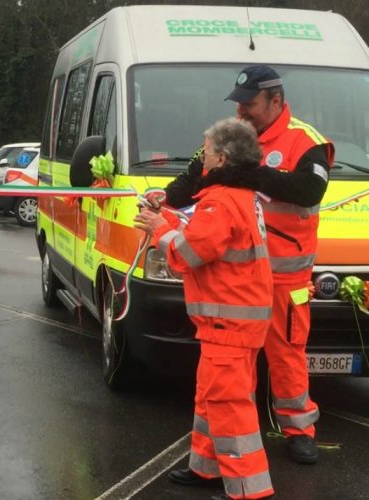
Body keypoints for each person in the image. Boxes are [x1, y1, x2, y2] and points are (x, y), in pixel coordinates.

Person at [164, 65, 334, 465]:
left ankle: (298, 429)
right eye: (237, 104)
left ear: (276, 101)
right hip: (237, 282)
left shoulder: (305, 141)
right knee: (231, 370)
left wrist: (250, 176)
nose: (241, 112)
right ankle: (240, 432)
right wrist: (166, 202)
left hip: (285, 276)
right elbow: (190, 179)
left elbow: (310, 187)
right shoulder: (228, 139)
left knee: (288, 355)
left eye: (249, 104)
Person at [136, 118, 274, 500]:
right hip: (231, 322)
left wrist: (158, 229)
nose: (202, 157)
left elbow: (188, 253)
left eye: (207, 150)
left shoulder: (221, 201)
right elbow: (203, 240)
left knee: (229, 407)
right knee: (212, 399)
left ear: (222, 158)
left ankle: (248, 490)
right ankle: (207, 468)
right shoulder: (237, 196)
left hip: (228, 322)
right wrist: (165, 222)